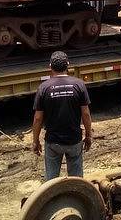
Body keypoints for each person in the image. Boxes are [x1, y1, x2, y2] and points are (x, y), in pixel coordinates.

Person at [32, 51, 92, 180]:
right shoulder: (79, 85)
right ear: (68, 65)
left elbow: (38, 118)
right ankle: (76, 192)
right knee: (76, 180)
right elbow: (86, 114)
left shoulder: (43, 88)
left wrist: (35, 141)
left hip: (53, 141)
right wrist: (88, 135)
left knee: (52, 181)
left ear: (50, 66)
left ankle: (53, 192)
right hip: (74, 140)